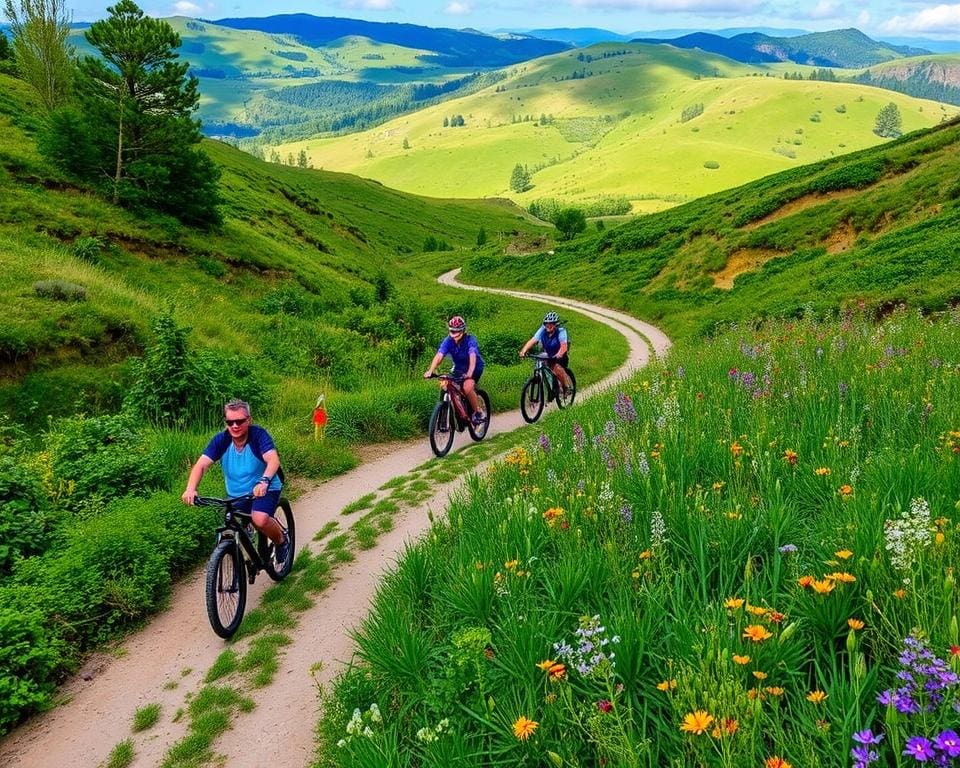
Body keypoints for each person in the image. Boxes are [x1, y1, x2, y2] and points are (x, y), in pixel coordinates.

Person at [182, 399, 289, 564]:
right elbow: (201, 465)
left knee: (259, 518)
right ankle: (245, 544)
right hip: (237, 494)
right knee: (234, 521)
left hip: (264, 489)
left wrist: (264, 481)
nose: (234, 426)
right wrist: (191, 488)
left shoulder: (258, 436)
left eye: (239, 421)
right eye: (230, 422)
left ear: (249, 420)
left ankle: (281, 541)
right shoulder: (222, 440)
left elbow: (273, 460)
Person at [423, 315, 485, 424]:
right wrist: (431, 370)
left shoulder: (470, 340)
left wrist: (470, 373)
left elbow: (472, 357)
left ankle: (477, 412)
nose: (454, 334)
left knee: (467, 387)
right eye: (452, 331)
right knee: (445, 385)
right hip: (459, 368)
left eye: (457, 331)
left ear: (463, 330)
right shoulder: (448, 340)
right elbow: (439, 356)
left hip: (474, 368)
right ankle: (449, 412)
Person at [519, 310, 573, 393]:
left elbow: (564, 346)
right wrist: (524, 350)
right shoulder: (542, 330)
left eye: (551, 323)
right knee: (540, 362)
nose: (548, 325)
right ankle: (547, 384)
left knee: (557, 367)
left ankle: (566, 387)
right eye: (546, 323)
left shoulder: (561, 331)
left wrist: (559, 354)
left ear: (556, 324)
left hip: (560, 354)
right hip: (549, 353)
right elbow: (533, 340)